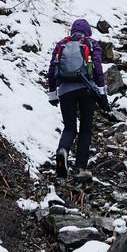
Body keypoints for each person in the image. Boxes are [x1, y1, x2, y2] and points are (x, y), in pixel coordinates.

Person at [48, 18, 110, 181]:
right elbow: (97, 67)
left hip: (65, 90)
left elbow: (52, 68)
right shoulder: (91, 43)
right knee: (85, 128)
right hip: (86, 90)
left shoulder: (62, 44)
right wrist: (102, 92)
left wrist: (52, 92)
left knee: (69, 127)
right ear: (88, 32)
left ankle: (63, 151)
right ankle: (80, 166)